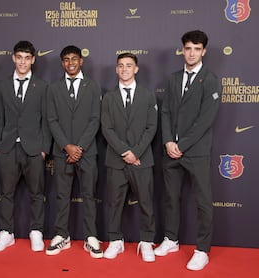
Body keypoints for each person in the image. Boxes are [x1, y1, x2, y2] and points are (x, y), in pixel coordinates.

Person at [155, 30, 221, 271]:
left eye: (196, 48)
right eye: (188, 48)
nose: (191, 53)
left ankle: (202, 250)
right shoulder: (173, 79)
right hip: (171, 151)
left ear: (203, 51)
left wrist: (181, 145)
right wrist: (168, 142)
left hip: (196, 152)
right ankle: (171, 240)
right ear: (182, 50)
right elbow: (166, 112)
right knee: (171, 198)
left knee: (203, 202)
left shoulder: (210, 79)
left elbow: (206, 120)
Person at [0, 41, 51, 253]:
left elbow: (46, 120)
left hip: (34, 149)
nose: (23, 62)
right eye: (20, 57)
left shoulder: (43, 86)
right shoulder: (2, 86)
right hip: (8, 148)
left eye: (27, 58)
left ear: (33, 59)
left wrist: (44, 148)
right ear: (13, 58)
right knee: (7, 192)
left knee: (37, 193)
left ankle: (36, 231)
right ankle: (6, 233)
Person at [46, 45, 103, 258]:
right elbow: (52, 119)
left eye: (74, 59)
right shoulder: (53, 89)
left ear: (81, 61)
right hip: (62, 152)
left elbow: (95, 119)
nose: (71, 63)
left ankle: (90, 236)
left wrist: (79, 147)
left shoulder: (94, 86)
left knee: (89, 195)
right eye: (67, 59)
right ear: (62, 63)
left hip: (86, 152)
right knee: (62, 195)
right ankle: (62, 235)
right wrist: (67, 146)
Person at [101, 53, 158, 261]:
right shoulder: (108, 97)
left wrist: (136, 152)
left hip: (142, 159)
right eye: (121, 66)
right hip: (116, 160)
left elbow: (151, 127)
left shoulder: (148, 95)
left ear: (136, 69)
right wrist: (126, 152)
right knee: (114, 203)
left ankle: (147, 241)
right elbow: (106, 128)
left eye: (129, 65)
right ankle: (115, 241)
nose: (125, 69)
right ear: (116, 70)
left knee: (146, 202)